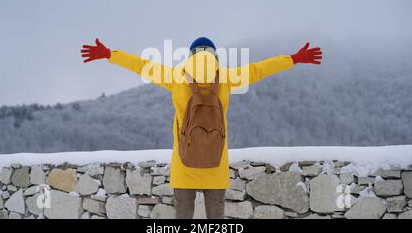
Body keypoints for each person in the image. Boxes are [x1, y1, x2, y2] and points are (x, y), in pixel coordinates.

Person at [80, 37, 322, 219]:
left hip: (183, 166)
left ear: (191, 55)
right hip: (216, 167)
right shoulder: (227, 77)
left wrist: (110, 54)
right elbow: (260, 69)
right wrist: (293, 59)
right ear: (213, 55)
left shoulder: (175, 76)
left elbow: (141, 65)